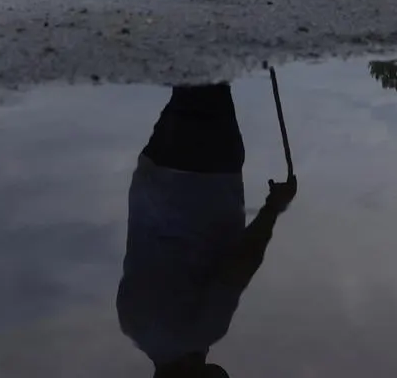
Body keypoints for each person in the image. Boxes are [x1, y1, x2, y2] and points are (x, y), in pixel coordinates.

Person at [117, 84, 297, 377]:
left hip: (205, 175)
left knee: (209, 73)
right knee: (190, 81)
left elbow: (240, 264)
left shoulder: (201, 332)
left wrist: (273, 208)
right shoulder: (131, 323)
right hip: (156, 168)